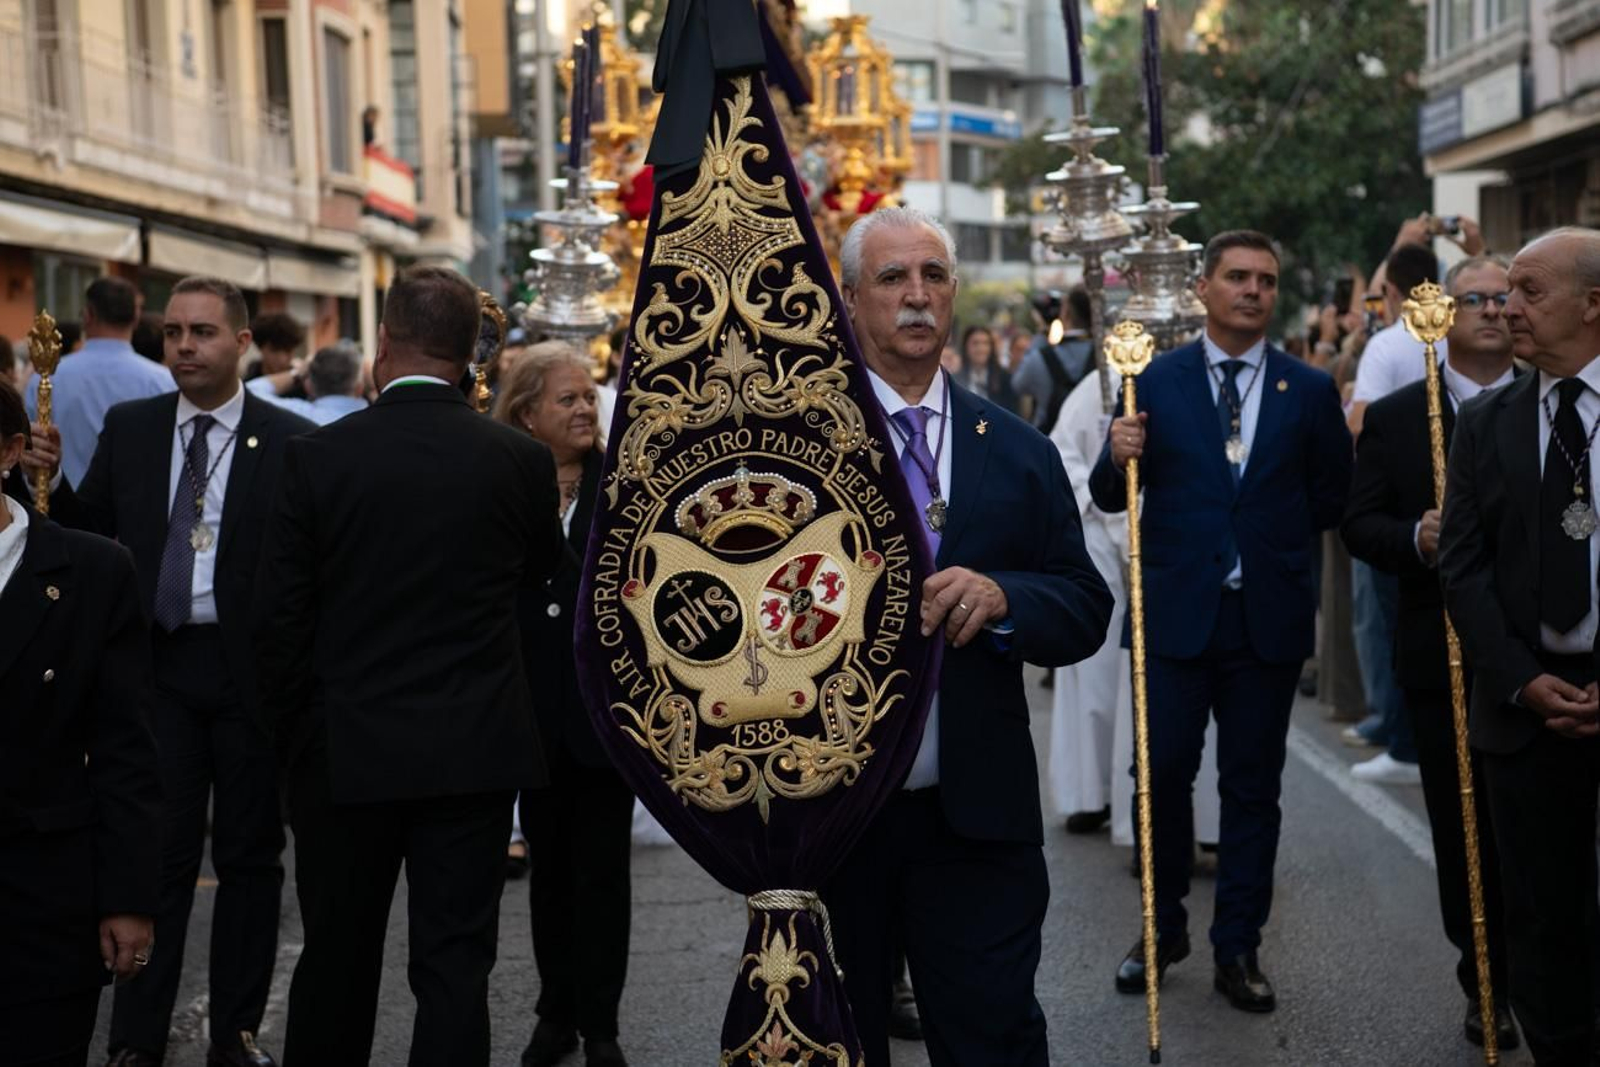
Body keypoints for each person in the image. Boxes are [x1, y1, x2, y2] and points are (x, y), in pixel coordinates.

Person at [823, 207, 1113, 1065]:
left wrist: (1003, 593)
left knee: (993, 1040)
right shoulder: (801, 449)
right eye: (892, 278)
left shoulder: (1018, 450)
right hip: (832, 820)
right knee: (837, 1042)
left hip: (977, 820)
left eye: (933, 276)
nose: (917, 296)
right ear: (848, 299)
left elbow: (1083, 604)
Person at [254, 265, 565, 1064]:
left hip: (344, 750)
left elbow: (282, 623)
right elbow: (540, 591)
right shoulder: (518, 462)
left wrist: (297, 741)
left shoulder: (316, 458)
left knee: (335, 960)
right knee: (456, 966)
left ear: (384, 342)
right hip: (474, 748)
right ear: (469, 354)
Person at [20, 276, 314, 1067]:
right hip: (158, 667)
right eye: (175, 332)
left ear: (242, 343)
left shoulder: (289, 439)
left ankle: (238, 1031)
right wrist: (41, 480)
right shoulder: (135, 426)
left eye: (204, 333)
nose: (185, 346)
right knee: (159, 852)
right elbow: (93, 538)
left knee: (251, 855)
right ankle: (136, 1036)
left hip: (249, 670)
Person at [1090, 230, 1353, 1011]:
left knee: (1252, 790)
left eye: (1266, 281)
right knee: (1160, 775)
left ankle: (1237, 943)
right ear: (1203, 288)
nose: (1252, 290)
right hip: (1175, 618)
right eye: (1237, 277)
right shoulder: (1153, 380)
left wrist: (1268, 541)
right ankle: (1161, 924)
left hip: (1263, 622)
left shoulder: (1306, 390)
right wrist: (1116, 449)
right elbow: (1111, 494)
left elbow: (1332, 496)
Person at [1341, 254, 1519, 1050]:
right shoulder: (1401, 413)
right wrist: (1415, 534)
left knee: (1544, 826)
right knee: (1463, 822)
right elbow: (1360, 522)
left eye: (1502, 296)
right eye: (1472, 297)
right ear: (1442, 313)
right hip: (1441, 648)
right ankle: (1484, 975)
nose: (1489, 309)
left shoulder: (1554, 400)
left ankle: (1556, 975)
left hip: (1544, 651)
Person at [1439, 226, 1600, 1065]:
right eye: (1504, 292)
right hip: (1523, 704)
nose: (1506, 307)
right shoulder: (1488, 423)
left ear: (1593, 304)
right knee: (1540, 912)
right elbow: (1462, 569)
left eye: (1530, 292)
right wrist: (1520, 679)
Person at [0, 379, 161, 1067]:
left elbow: (125, 748)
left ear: (10, 450)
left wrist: (128, 898)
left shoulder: (91, 570)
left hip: (39, 896)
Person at [492, 344, 634, 1067]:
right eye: (567, 400)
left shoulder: (624, 484)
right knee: (549, 873)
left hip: (605, 716)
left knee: (603, 873)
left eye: (589, 398)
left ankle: (601, 1021)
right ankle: (557, 1011)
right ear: (525, 413)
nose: (585, 409)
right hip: (530, 714)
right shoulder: (500, 483)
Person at [25, 277, 172, 487]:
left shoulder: (47, 377)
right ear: (136, 318)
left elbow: (27, 451)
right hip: (135, 509)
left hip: (62, 509)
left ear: (88, 315)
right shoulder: (163, 381)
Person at [1013, 287, 1093, 431]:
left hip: (1050, 439)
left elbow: (1019, 384)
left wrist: (1043, 330)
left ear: (1065, 314)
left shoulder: (1041, 357)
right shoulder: (1107, 356)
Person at [248, 342, 368, 426]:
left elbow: (251, 391)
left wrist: (298, 373)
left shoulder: (296, 415)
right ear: (359, 389)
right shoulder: (378, 418)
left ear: (308, 387)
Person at [955, 325, 1019, 413]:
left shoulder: (1004, 379)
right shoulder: (956, 380)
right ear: (965, 347)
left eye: (986, 343)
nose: (981, 348)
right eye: (975, 343)